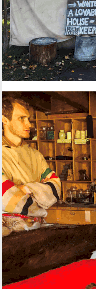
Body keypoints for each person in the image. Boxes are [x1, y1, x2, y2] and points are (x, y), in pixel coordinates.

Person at [2, 97, 61, 227]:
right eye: (21, 118)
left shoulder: (35, 155)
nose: (29, 124)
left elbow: (56, 186)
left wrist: (25, 188)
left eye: (28, 119)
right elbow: (4, 198)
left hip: (36, 228)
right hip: (6, 230)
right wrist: (40, 192)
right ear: (4, 120)